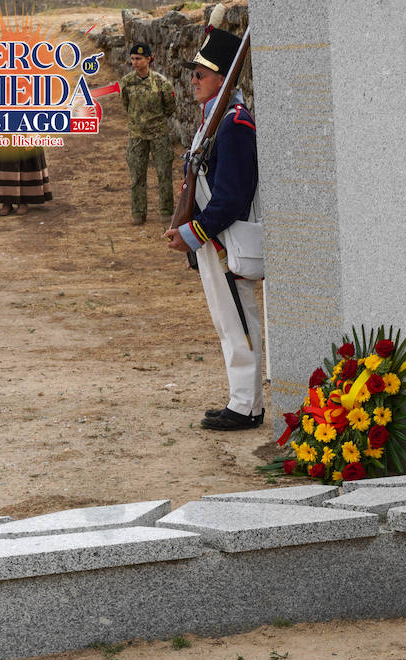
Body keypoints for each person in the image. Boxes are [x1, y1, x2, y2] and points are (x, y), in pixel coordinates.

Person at [164, 19, 263, 431]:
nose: (193, 81)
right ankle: (241, 399)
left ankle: (247, 406)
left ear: (221, 76)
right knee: (228, 322)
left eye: (200, 74)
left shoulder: (234, 122)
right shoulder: (216, 119)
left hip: (224, 240)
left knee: (239, 323)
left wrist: (192, 233)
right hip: (213, 238)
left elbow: (232, 196)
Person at [120, 41, 176, 226]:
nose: (135, 62)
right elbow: (126, 104)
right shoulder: (127, 82)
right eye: (133, 59)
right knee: (137, 175)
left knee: (164, 173)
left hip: (159, 134)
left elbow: (169, 107)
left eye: (139, 59)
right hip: (137, 136)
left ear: (149, 59)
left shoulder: (161, 83)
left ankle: (166, 211)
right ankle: (138, 213)